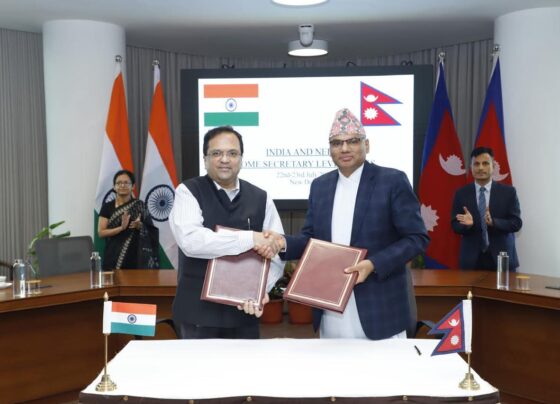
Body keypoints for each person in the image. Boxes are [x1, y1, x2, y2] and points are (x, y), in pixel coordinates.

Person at [262, 108, 429, 340]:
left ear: (366, 145)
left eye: (352, 141)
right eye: (337, 143)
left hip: (381, 309)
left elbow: (416, 238)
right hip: (330, 307)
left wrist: (373, 264)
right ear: (330, 149)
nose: (344, 148)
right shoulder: (320, 186)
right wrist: (282, 243)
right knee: (334, 363)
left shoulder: (392, 181)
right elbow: (310, 239)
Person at [169, 125, 284, 339]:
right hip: (198, 315)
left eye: (232, 153)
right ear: (205, 159)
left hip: (244, 312)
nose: (225, 159)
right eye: (216, 153)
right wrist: (251, 238)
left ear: (241, 158)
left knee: (245, 363)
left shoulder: (262, 198)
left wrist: (260, 290)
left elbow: (276, 249)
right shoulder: (188, 191)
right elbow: (192, 241)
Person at [451, 147, 522, 270]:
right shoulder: (461, 193)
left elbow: (516, 223)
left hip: (502, 258)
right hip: (471, 261)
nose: (480, 168)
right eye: (476, 164)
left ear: (493, 166)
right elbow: (454, 225)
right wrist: (466, 225)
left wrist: (494, 222)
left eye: (485, 163)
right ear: (471, 167)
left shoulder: (509, 192)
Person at [98, 170, 160, 270]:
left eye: (126, 183)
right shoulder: (107, 207)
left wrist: (140, 226)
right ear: (114, 187)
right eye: (119, 183)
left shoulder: (140, 206)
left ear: (133, 186)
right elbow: (101, 233)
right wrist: (121, 228)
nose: (122, 185)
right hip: (113, 255)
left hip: (136, 256)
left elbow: (152, 230)